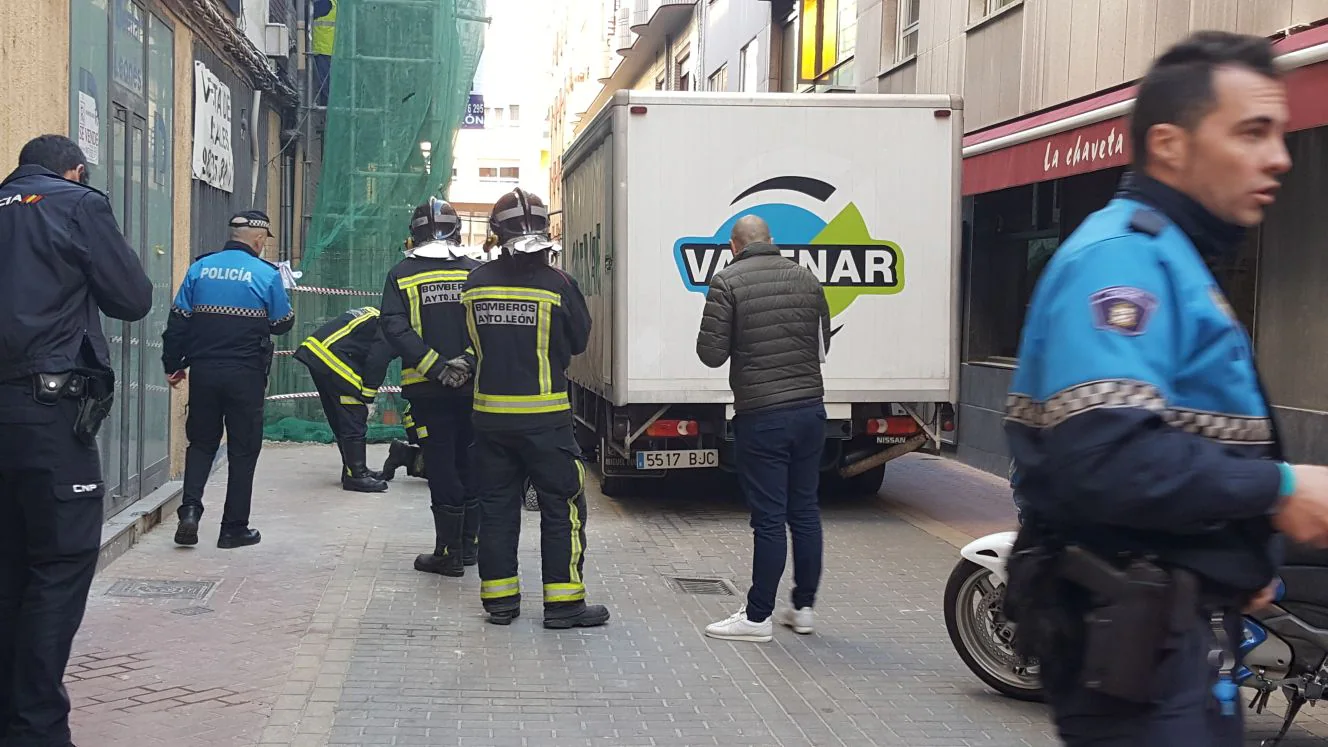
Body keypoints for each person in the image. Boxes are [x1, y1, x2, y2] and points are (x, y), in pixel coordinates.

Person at [1001, 32, 1328, 746]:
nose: (1278, 155)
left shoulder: (1170, 258)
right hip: (1140, 651)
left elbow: (1176, 441)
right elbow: (1108, 459)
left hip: (1178, 637)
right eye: (1251, 132)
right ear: (1170, 145)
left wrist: (1238, 555)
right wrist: (1279, 490)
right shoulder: (1125, 258)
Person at [0, 135, 152, 747]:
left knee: (10, 565)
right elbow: (132, 298)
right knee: (59, 564)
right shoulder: (75, 202)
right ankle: (34, 729)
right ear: (75, 168)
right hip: (46, 414)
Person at [463, 188, 608, 629]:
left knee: (496, 507)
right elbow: (578, 341)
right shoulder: (559, 284)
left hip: (489, 418)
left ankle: (501, 602)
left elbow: (471, 343)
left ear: (495, 232)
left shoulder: (476, 283)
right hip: (545, 420)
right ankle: (563, 604)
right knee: (561, 506)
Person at [695, 214, 831, 642]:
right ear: (772, 241)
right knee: (805, 511)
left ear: (734, 247)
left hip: (763, 414)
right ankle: (804, 608)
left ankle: (757, 617)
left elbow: (711, 355)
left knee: (769, 519)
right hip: (811, 411)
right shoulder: (807, 279)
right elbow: (823, 343)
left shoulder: (727, 283)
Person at [163, 210, 294, 549]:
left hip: (204, 372)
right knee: (243, 450)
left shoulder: (200, 268)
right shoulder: (265, 275)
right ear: (259, 239)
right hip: (246, 375)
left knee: (202, 443)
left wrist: (172, 365)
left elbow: (178, 322)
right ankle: (233, 528)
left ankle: (190, 509)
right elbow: (282, 323)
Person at [381, 198, 482, 576]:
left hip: (428, 391)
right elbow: (487, 324)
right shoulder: (477, 272)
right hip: (473, 389)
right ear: (456, 230)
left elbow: (394, 327)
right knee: (471, 461)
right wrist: (468, 364)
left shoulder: (401, 274)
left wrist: (436, 369)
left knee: (440, 466)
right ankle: (471, 547)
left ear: (414, 234)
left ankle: (448, 551)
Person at [293, 306, 395, 492]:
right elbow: (377, 360)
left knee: (340, 413)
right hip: (330, 354)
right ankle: (356, 475)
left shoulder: (376, 315)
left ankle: (352, 468)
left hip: (318, 352)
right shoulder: (393, 326)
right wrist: (368, 394)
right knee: (354, 407)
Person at [311, 0, 337, 106]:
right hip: (330, 51)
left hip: (324, 51)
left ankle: (326, 113)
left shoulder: (326, 3)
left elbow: (308, 12)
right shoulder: (336, 4)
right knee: (328, 87)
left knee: (325, 88)